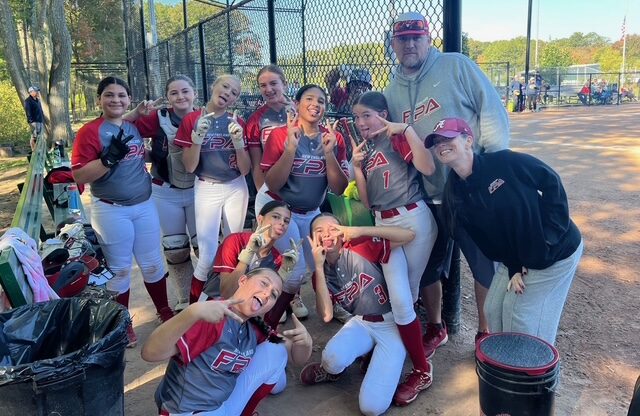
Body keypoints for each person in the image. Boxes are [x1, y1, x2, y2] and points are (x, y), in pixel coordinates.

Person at [383, 11, 509, 355]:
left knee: (484, 265)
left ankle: (485, 332)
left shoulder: (456, 65)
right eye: (402, 39)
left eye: (416, 37)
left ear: (428, 39)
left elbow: (491, 112)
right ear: (393, 44)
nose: (409, 44)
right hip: (427, 195)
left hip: (471, 187)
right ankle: (436, 326)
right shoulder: (391, 91)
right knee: (427, 267)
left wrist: (492, 169)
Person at [425, 117, 583, 345]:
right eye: (437, 142)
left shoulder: (503, 162)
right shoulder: (456, 193)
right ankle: (506, 361)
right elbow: (489, 241)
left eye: (448, 138)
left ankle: (532, 364)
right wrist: (514, 266)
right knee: (492, 308)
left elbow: (550, 181)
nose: (441, 145)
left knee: (518, 313)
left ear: (468, 141)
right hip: (523, 254)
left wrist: (550, 235)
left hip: (558, 249)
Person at [71, 76, 172, 348]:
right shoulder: (90, 131)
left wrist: (153, 147)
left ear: (129, 99)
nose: (115, 99)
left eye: (121, 95)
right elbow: (79, 175)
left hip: (144, 205)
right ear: (99, 100)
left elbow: (136, 137)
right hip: (111, 209)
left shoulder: (131, 125)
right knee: (119, 270)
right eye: (109, 95)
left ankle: (164, 310)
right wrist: (107, 160)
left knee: (153, 263)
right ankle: (121, 323)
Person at [300, 213, 432, 413]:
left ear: (342, 233)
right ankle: (334, 372)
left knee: (371, 407)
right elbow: (326, 315)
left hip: (392, 326)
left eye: (333, 229)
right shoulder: (321, 272)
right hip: (362, 322)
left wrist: (359, 231)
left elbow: (408, 235)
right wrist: (318, 267)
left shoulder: (359, 246)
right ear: (312, 239)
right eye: (319, 231)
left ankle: (411, 367)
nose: (326, 234)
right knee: (331, 361)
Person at [142, 267, 313, 416]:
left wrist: (305, 343)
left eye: (274, 294)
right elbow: (149, 353)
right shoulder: (212, 316)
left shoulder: (254, 326)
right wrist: (192, 312)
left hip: (220, 405)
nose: (267, 293)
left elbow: (294, 355)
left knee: (277, 351)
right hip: (188, 411)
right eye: (264, 283)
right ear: (243, 280)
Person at [259, 84, 349, 328]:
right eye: (309, 99)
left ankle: (333, 302)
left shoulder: (333, 137)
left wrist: (329, 153)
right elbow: (273, 183)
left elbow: (339, 188)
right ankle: (269, 318)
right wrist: (290, 148)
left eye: (321, 101)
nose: (315, 104)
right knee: (296, 268)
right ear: (297, 104)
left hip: (312, 212)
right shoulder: (281, 134)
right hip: (280, 208)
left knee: (327, 259)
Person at [174, 74, 251, 304]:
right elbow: (189, 166)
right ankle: (195, 308)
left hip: (235, 187)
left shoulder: (237, 121)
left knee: (234, 249)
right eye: (225, 86)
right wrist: (197, 137)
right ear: (214, 85)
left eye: (234, 92)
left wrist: (238, 143)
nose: (228, 93)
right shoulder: (192, 119)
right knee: (206, 255)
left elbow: (245, 169)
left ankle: (230, 303)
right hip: (206, 187)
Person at [125, 75, 199, 311]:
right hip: (165, 190)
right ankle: (185, 297)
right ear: (167, 97)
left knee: (205, 245)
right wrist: (136, 113)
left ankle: (208, 294)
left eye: (185, 91)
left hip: (199, 189)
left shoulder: (205, 117)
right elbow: (119, 125)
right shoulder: (159, 117)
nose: (180, 96)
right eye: (174, 93)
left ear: (195, 93)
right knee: (176, 248)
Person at [246, 65, 309, 321]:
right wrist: (267, 195)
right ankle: (275, 296)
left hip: (300, 190)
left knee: (299, 252)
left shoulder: (300, 110)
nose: (268, 89)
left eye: (273, 83)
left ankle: (294, 295)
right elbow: (256, 163)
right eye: (263, 85)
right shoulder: (256, 119)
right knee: (276, 248)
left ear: (284, 83)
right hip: (274, 193)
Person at [201, 200, 295, 300]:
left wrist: (282, 275)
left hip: (247, 307)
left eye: (286, 221)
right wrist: (248, 254)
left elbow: (268, 299)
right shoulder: (235, 240)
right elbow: (226, 293)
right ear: (260, 219)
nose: (282, 223)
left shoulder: (277, 259)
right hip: (212, 303)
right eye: (276, 217)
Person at [25, 86, 45, 150]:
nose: (37, 92)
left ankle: (39, 149)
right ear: (31, 92)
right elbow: (28, 112)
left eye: (37, 91)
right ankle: (34, 150)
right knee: (34, 136)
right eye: (36, 91)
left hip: (40, 120)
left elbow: (40, 110)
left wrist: (42, 119)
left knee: (40, 136)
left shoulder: (38, 100)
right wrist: (31, 122)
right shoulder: (28, 101)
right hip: (34, 121)